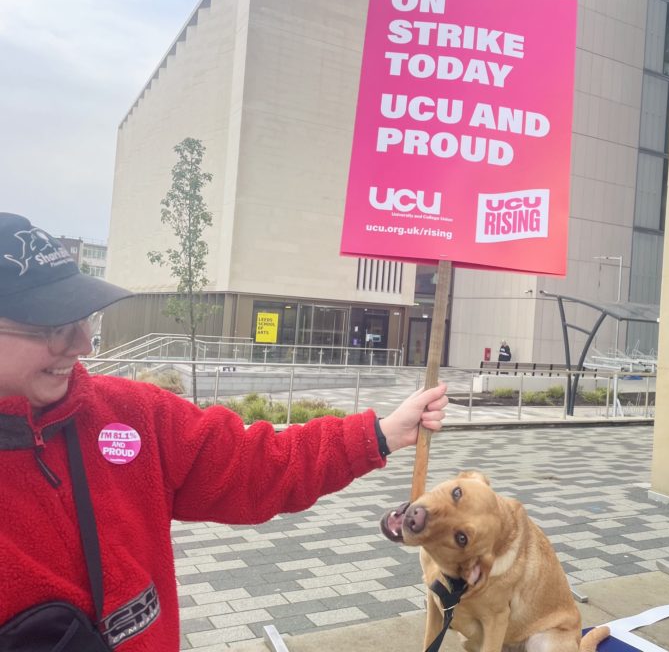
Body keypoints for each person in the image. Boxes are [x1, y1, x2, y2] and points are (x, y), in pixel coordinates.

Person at [0, 212, 447, 650]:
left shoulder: (131, 414)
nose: (80, 345)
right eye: (56, 328)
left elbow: (255, 464)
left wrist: (380, 434)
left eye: (84, 322)